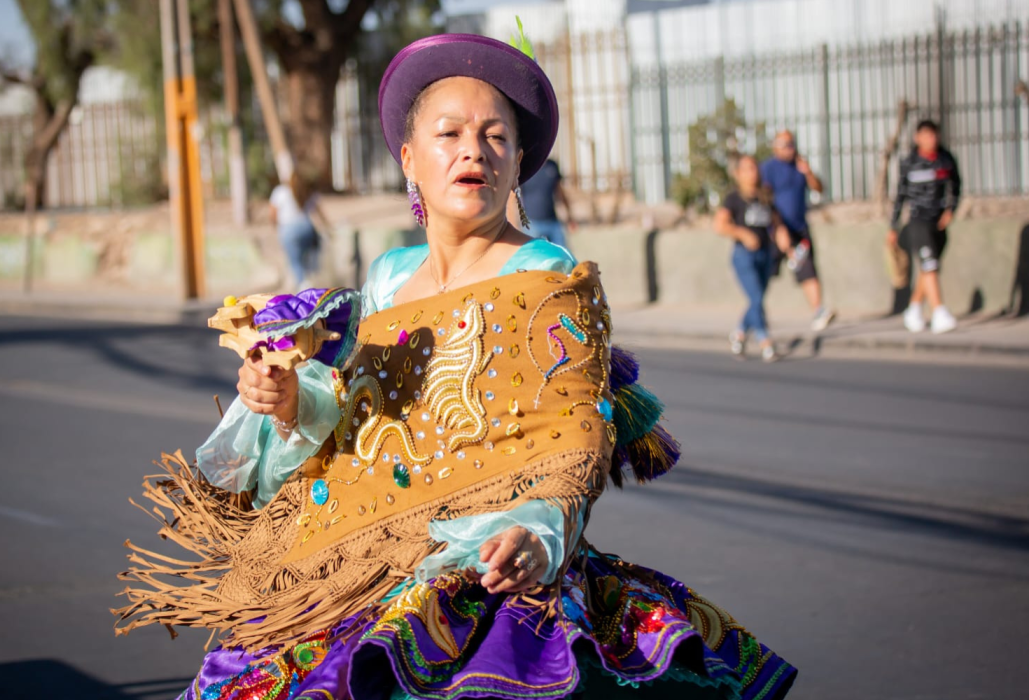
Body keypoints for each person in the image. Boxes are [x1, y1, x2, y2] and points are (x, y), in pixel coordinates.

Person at [115, 33, 796, 700]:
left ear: (518, 160)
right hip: (359, 566)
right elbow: (354, 421)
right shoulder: (385, 277)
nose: (475, 148)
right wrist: (288, 398)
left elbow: (576, 434)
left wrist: (538, 535)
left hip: (483, 568)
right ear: (410, 159)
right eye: (450, 134)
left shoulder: (544, 273)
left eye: (496, 135)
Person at [888, 119, 962, 334]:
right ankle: (939, 311)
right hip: (917, 223)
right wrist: (893, 226)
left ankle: (913, 309)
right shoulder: (909, 162)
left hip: (937, 223)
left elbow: (956, 186)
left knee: (928, 267)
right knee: (929, 265)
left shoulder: (945, 159)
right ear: (917, 138)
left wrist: (951, 210)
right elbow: (899, 196)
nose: (931, 139)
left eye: (934, 135)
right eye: (926, 135)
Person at [760, 130, 836, 332]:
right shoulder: (768, 168)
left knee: (807, 269)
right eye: (785, 144)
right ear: (775, 146)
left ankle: (818, 311)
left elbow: (819, 189)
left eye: (791, 144)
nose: (789, 148)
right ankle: (756, 310)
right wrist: (777, 228)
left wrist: (808, 172)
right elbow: (764, 199)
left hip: (799, 229)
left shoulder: (800, 166)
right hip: (776, 230)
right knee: (764, 272)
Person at [715, 155, 788, 362]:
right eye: (747, 169)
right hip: (743, 256)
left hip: (766, 254)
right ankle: (765, 342)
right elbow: (719, 225)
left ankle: (739, 333)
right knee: (756, 297)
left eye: (754, 168)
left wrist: (783, 238)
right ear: (738, 174)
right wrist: (743, 234)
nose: (752, 173)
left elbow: (776, 221)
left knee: (757, 299)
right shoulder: (733, 199)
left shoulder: (764, 196)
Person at [270, 171, 327, 290]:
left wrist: (276, 227)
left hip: (288, 230)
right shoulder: (307, 192)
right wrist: (329, 227)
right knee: (305, 258)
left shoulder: (281, 191)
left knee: (295, 261)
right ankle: (310, 278)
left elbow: (273, 213)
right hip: (307, 228)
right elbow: (318, 212)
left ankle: (303, 286)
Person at [518, 157, 575, 248]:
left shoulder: (552, 165)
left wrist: (569, 217)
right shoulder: (526, 167)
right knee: (535, 257)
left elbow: (560, 193)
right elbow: (515, 196)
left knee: (563, 256)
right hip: (532, 223)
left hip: (552, 221)